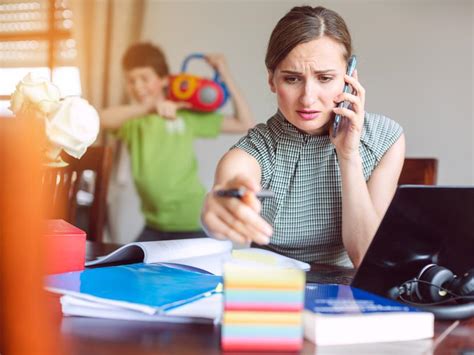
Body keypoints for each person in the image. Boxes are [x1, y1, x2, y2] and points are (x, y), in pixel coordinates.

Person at [201, 6, 405, 268]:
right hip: (274, 290)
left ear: (349, 77)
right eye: (292, 79)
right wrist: (219, 204)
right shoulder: (257, 148)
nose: (308, 98)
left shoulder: (386, 139)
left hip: (349, 291)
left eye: (325, 78)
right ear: (272, 80)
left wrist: (348, 155)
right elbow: (231, 183)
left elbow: (366, 258)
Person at [101, 42, 254, 242]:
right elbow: (101, 118)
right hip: (153, 225)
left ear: (164, 79)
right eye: (131, 80)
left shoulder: (185, 115)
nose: (137, 86)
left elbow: (244, 123)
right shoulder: (133, 122)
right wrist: (150, 108)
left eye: (144, 78)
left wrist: (223, 73)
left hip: (191, 222)